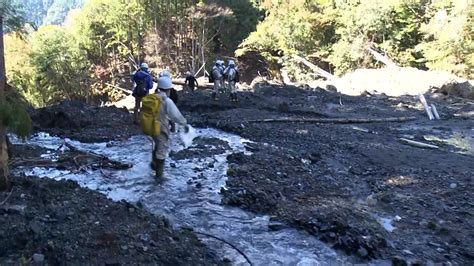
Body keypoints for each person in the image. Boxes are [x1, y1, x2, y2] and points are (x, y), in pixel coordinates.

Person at [150, 76, 189, 180]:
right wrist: (184, 124)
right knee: (162, 150)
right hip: (161, 127)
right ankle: (159, 177)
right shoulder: (166, 100)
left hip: (150, 126)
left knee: (156, 145)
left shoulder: (152, 97)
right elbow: (175, 115)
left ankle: (153, 164)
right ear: (168, 89)